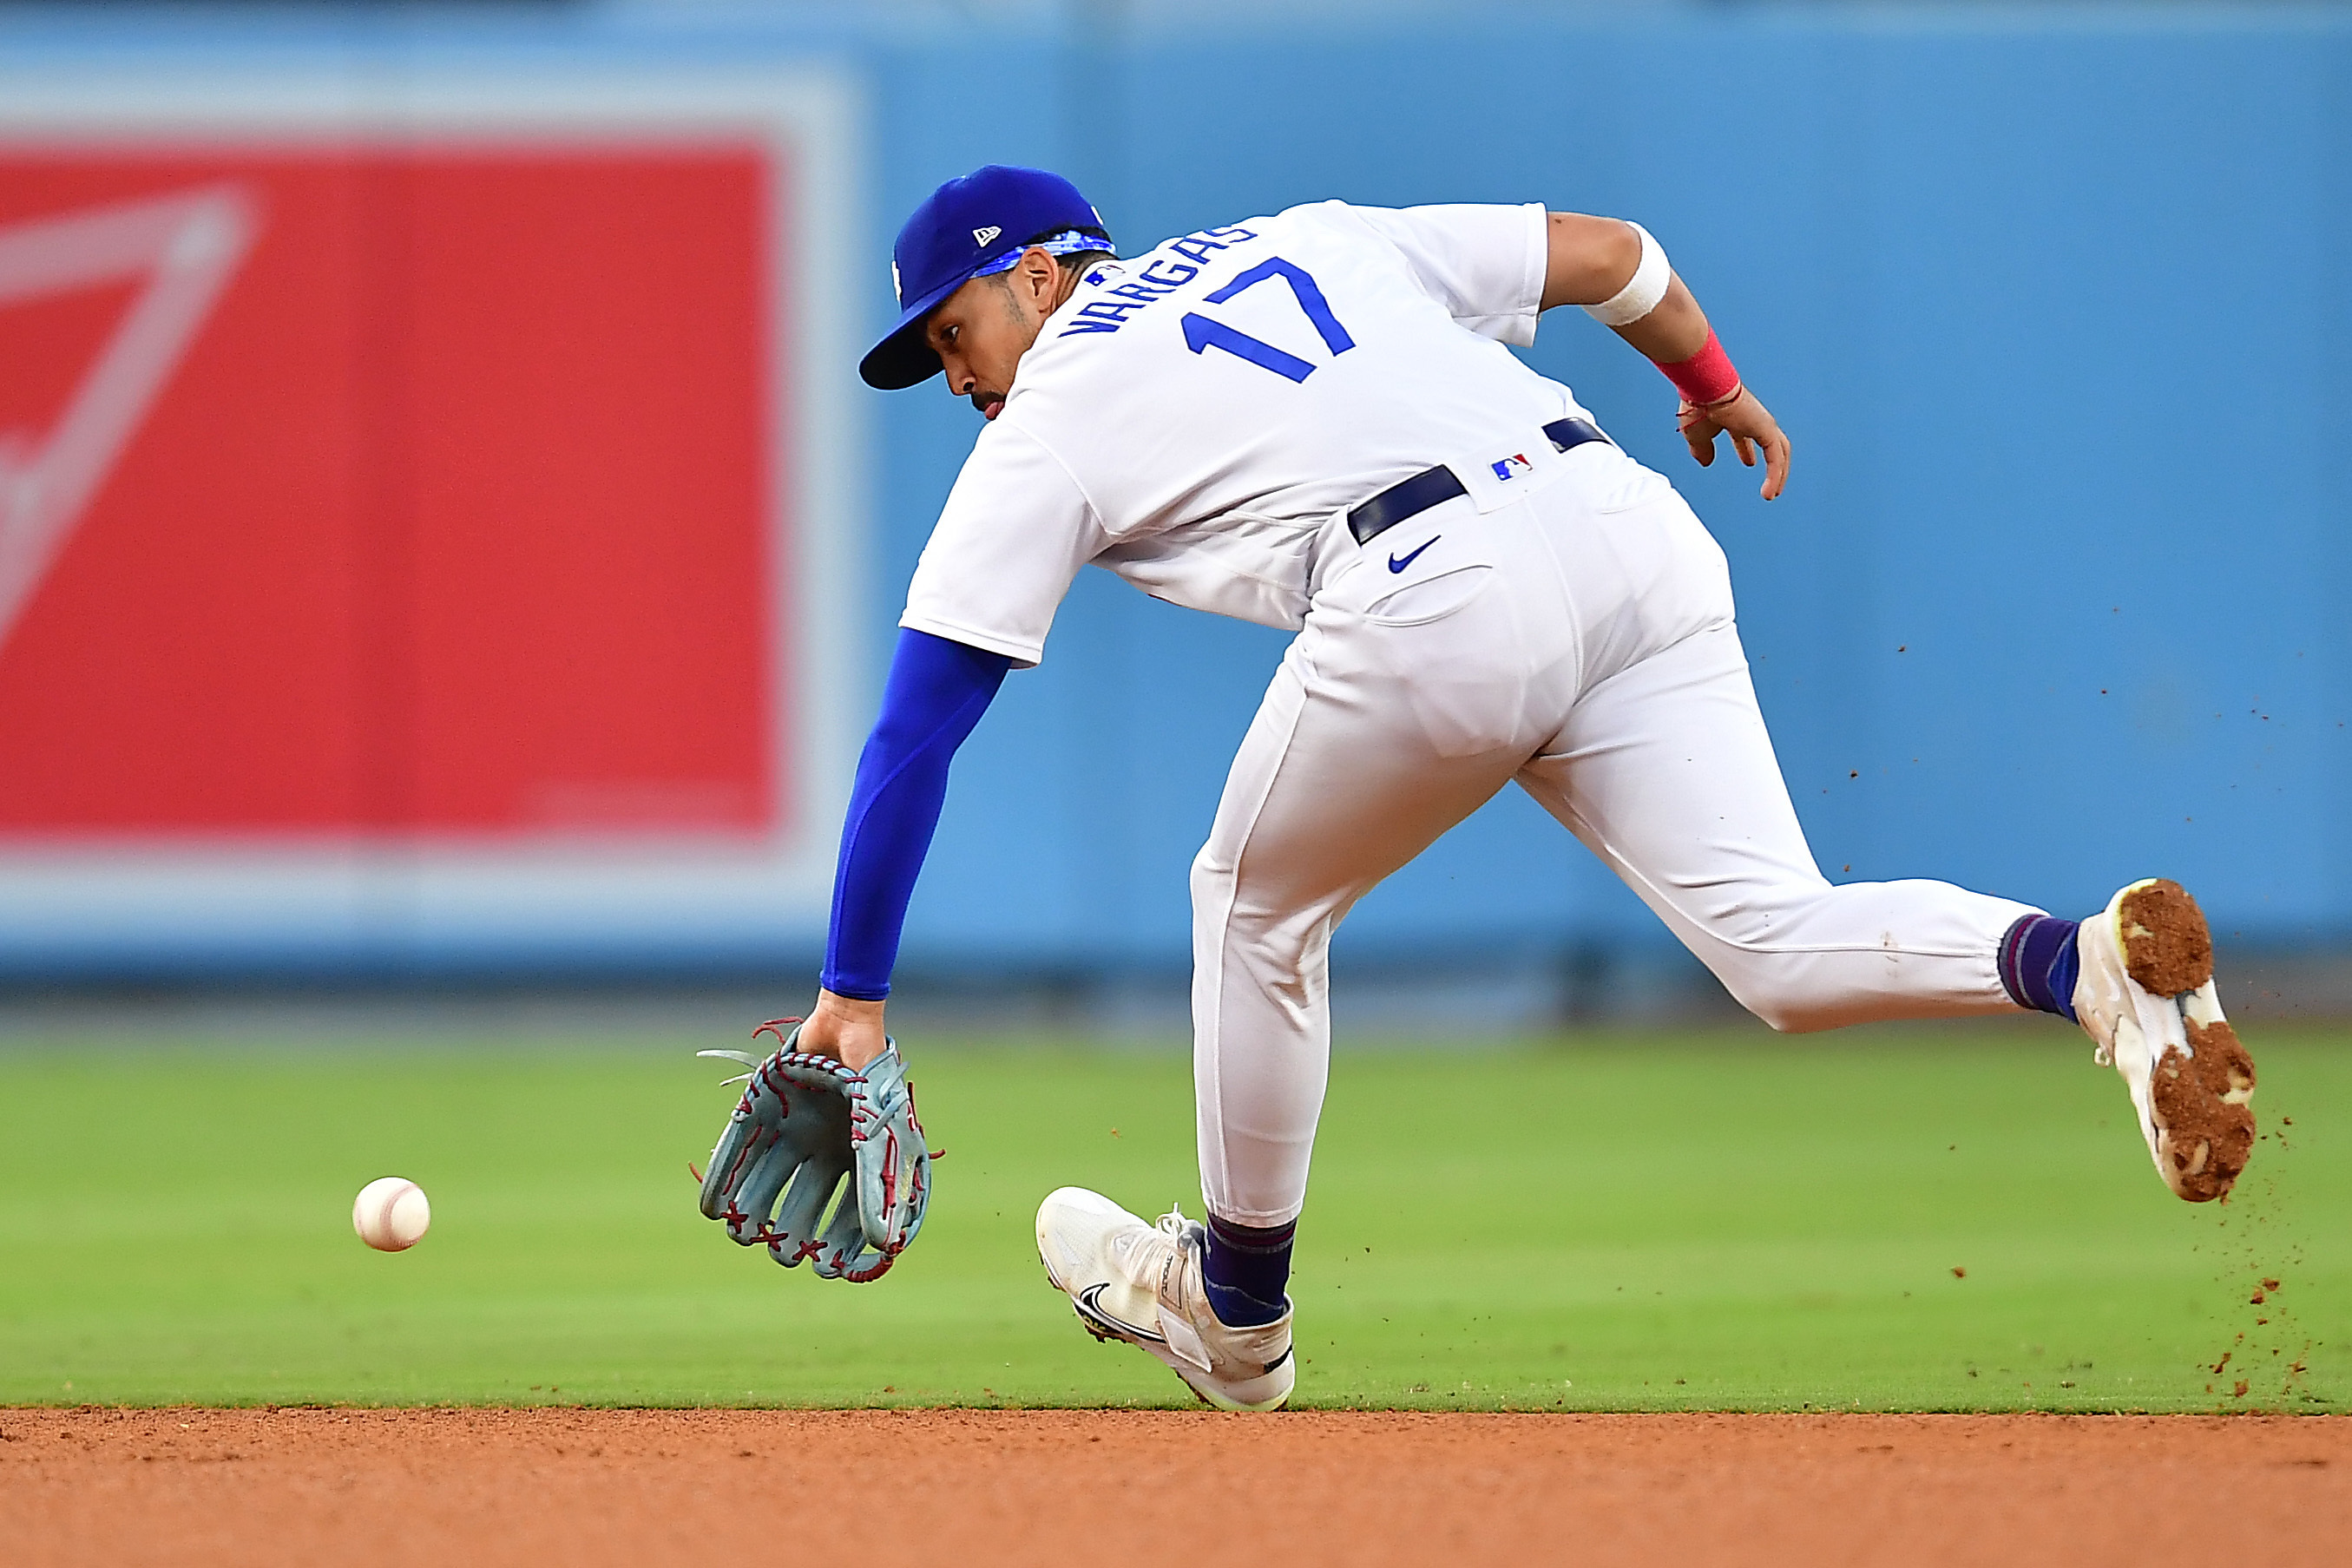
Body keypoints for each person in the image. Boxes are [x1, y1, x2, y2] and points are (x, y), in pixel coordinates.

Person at [787, 164, 2257, 1411]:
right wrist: (1713, 385)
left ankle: (1235, 1316)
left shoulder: (1054, 402)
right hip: (1624, 524)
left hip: (1432, 588)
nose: (956, 373)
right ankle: (2079, 968)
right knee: (1775, 944)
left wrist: (853, 995)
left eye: (956, 327)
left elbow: (917, 727)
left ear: (1041, 277)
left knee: (1247, 911)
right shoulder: (1312, 234)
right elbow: (1618, 259)